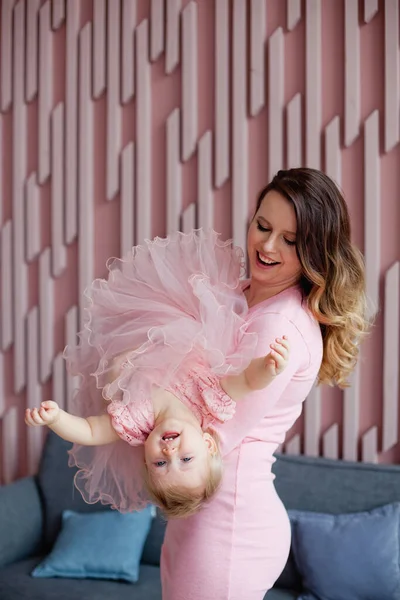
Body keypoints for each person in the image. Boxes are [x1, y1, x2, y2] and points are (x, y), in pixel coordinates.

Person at [160, 168, 369, 600]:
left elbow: (214, 430)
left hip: (226, 527)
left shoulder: (280, 324)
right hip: (202, 514)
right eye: (263, 226)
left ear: (315, 251)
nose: (268, 246)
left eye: (291, 241)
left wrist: (143, 402)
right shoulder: (244, 294)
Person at [25, 229, 290, 518]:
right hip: (176, 314)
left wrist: (55, 419)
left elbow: (90, 431)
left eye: (160, 465)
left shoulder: (137, 422)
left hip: (134, 336)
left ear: (146, 461)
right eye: (186, 459)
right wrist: (268, 368)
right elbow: (248, 381)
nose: (170, 453)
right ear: (208, 443)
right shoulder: (211, 401)